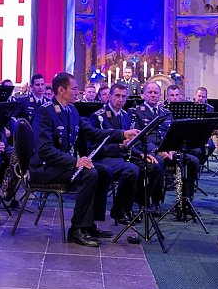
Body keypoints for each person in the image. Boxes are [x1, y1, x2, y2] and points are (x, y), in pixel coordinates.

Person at [31, 73, 139, 247]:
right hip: (45, 168)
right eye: (73, 88)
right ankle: (77, 229)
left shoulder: (71, 110)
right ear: (61, 90)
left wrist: (121, 134)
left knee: (104, 171)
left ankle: (90, 225)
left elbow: (92, 133)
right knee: (89, 173)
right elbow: (45, 150)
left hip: (62, 164)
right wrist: (74, 162)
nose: (77, 91)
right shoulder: (45, 112)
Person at [87, 83, 141, 223]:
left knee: (149, 166)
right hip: (104, 158)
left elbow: (129, 142)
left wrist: (141, 154)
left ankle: (143, 207)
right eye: (117, 95)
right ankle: (120, 210)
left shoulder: (125, 115)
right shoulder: (98, 116)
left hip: (121, 157)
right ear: (109, 96)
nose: (120, 99)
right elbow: (94, 145)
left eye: (124, 96)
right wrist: (119, 146)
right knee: (131, 170)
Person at [130, 82, 171, 211]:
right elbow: (137, 137)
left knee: (192, 161)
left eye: (155, 93)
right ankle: (154, 201)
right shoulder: (136, 112)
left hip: (167, 149)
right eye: (150, 92)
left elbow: (172, 133)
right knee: (157, 164)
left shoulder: (166, 113)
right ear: (143, 95)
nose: (153, 95)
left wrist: (172, 148)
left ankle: (185, 202)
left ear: (160, 95)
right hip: (147, 149)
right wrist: (157, 151)